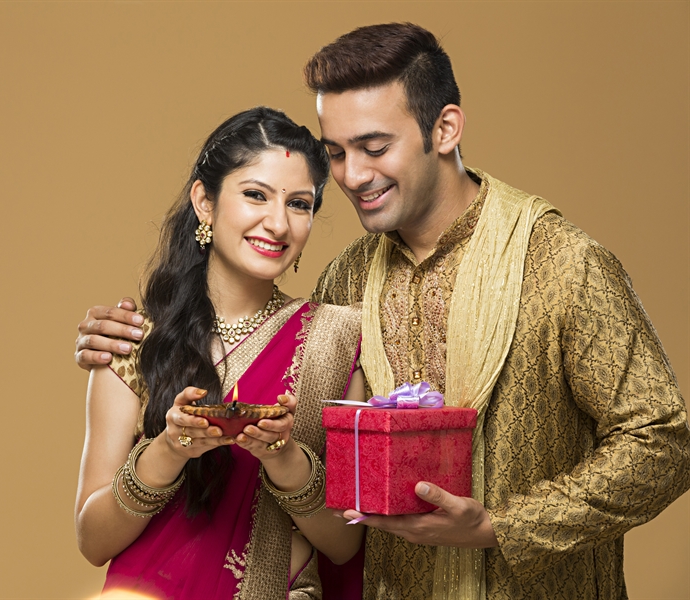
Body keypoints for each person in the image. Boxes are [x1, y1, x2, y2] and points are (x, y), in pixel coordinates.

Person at [74, 23, 690, 600]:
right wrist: (130, 344)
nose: (353, 176)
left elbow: (664, 442)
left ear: (444, 129)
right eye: (337, 154)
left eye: (373, 147)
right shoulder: (346, 281)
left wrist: (500, 526)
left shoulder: (562, 264)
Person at [74, 106, 366, 600]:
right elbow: (93, 541)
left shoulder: (337, 341)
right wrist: (168, 450)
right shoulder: (134, 343)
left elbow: (344, 545)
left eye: (299, 204)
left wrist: (284, 457)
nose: (278, 223)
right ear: (204, 202)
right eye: (256, 195)